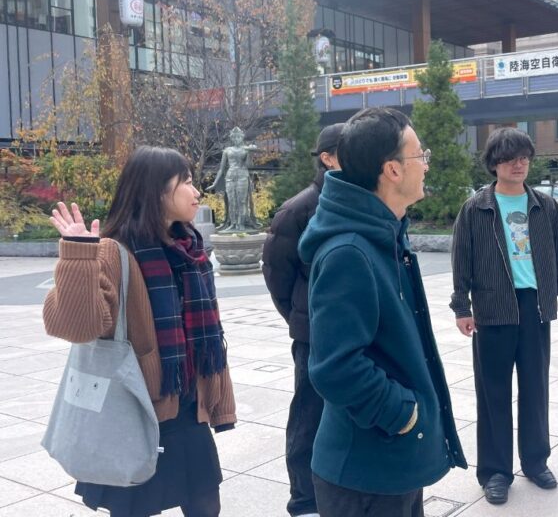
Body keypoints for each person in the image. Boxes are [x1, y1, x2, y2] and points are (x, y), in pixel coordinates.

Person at [43, 146, 236, 517]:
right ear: (157, 190)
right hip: (135, 407)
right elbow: (74, 326)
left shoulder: (191, 250)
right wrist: (79, 254)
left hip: (185, 406)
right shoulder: (113, 253)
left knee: (205, 504)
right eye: (188, 182)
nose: (197, 193)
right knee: (135, 509)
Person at [297, 107, 466, 517]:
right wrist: (402, 414)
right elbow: (335, 367)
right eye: (419, 155)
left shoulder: (385, 232)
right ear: (391, 169)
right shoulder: (350, 252)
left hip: (391, 462)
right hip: (365, 475)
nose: (426, 164)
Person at [450, 127, 558, 505]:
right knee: (493, 393)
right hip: (492, 308)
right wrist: (462, 306)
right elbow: (462, 259)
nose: (518, 164)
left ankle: (536, 461)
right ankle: (495, 471)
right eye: (509, 158)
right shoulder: (477, 208)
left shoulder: (545, 206)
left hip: (535, 307)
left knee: (536, 388)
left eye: (523, 157)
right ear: (494, 164)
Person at [262, 124, 345, 517]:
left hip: (355, 332)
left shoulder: (366, 201)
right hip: (313, 334)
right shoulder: (298, 210)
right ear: (327, 158)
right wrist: (300, 316)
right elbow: (277, 274)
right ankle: (304, 499)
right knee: (309, 414)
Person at [207, 127, 259, 231]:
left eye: (238, 137)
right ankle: (233, 223)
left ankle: (241, 223)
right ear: (231, 138)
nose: (236, 139)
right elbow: (221, 169)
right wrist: (215, 183)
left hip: (242, 174)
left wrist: (250, 153)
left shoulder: (246, 149)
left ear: (242, 137)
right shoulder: (227, 150)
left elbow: (249, 165)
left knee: (242, 201)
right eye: (234, 137)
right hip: (230, 176)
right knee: (231, 201)